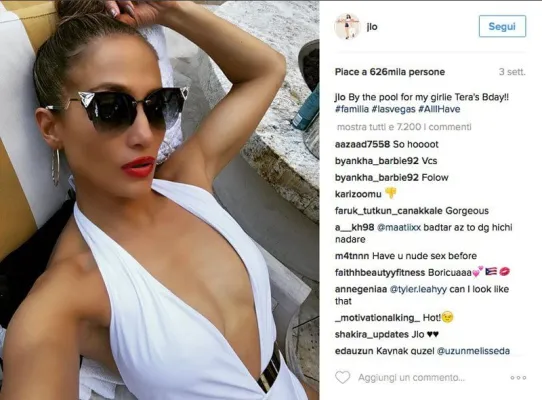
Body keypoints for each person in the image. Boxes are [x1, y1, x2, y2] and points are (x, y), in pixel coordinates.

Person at [0, 1, 318, 399]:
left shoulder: (185, 183)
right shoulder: (64, 299)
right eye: (110, 108)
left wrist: (168, 9)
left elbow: (267, 70)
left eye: (158, 105)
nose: (144, 134)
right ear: (51, 127)